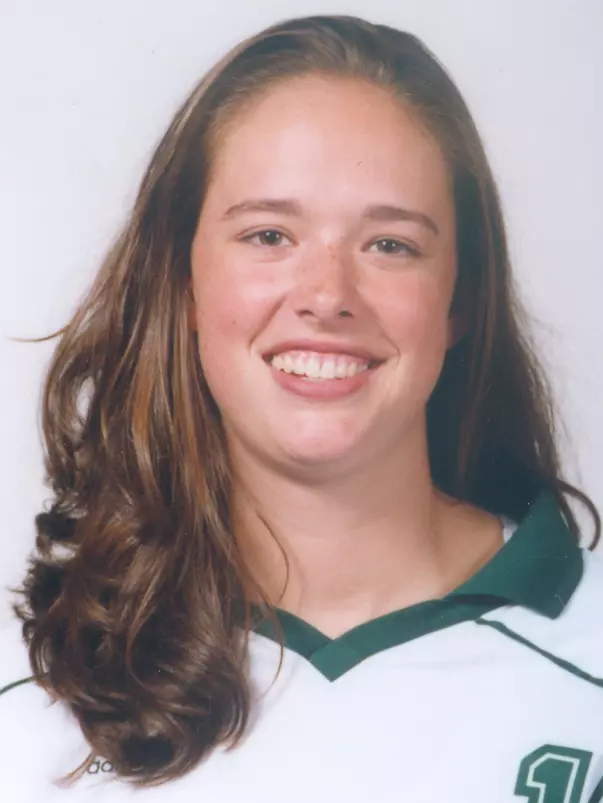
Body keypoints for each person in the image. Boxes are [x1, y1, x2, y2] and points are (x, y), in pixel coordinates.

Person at [1, 12, 602, 802]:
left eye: (389, 244)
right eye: (268, 235)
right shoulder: (29, 703)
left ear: (460, 299)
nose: (326, 295)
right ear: (181, 281)